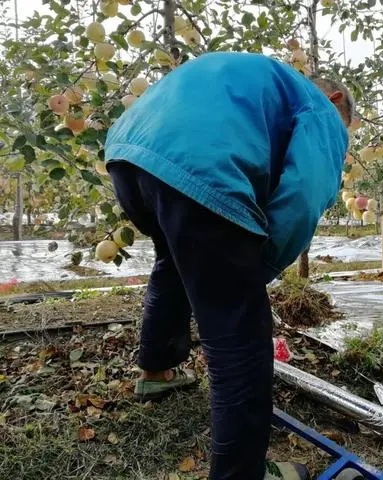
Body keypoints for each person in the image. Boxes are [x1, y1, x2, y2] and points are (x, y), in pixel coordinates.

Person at [104, 51, 354, 480]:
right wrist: (255, 273)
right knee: (240, 333)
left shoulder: (258, 80)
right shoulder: (320, 107)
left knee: (173, 262)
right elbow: (304, 196)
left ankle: (157, 371)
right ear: (335, 101)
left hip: (129, 155)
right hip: (201, 168)